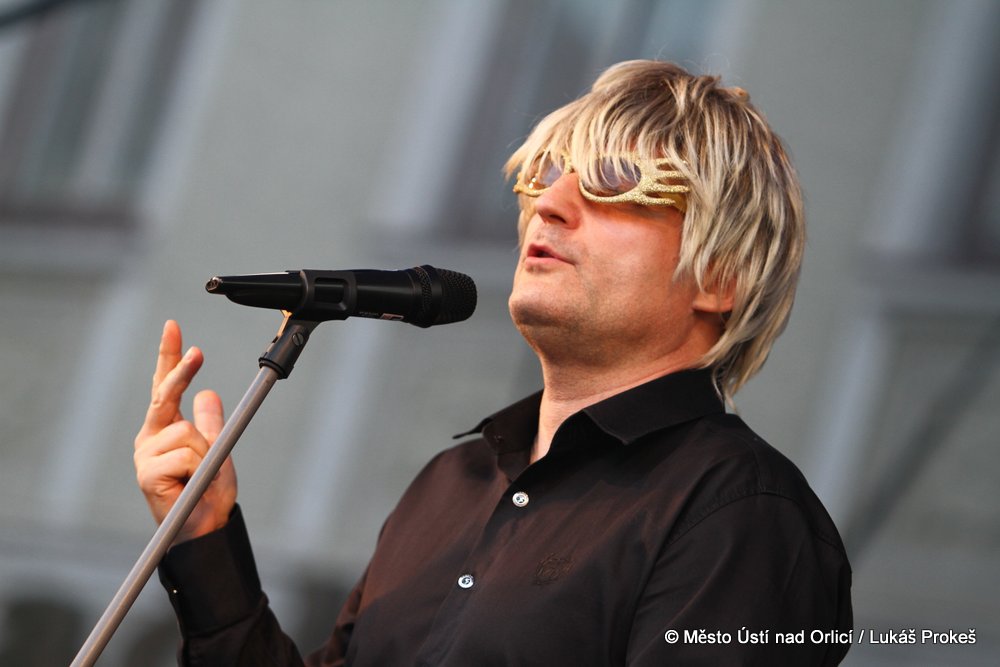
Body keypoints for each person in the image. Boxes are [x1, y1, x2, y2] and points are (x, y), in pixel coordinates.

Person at [135, 60, 852, 665]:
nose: (551, 203)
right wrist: (204, 538)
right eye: (545, 173)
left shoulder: (741, 514)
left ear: (719, 276)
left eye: (612, 179)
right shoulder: (452, 482)